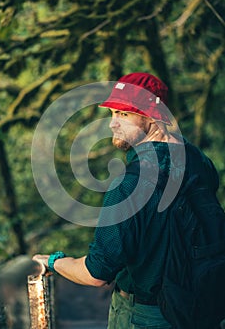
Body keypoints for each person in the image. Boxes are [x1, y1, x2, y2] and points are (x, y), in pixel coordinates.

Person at [33, 72, 221, 329]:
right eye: (112, 113)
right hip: (203, 308)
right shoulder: (199, 161)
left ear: (153, 117)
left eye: (124, 114)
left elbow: (96, 273)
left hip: (148, 316)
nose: (112, 123)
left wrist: (54, 262)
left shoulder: (129, 184)